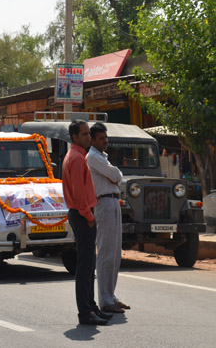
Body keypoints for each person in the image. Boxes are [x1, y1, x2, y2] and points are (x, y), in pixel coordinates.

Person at [62, 120, 113, 326]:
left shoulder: (78, 155)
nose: (88, 138)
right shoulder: (75, 158)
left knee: (88, 265)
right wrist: (89, 217)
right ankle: (85, 313)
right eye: (84, 135)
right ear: (75, 137)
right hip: (82, 215)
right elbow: (79, 193)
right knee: (84, 268)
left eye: (88, 134)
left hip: (82, 214)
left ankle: (91, 307)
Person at [87, 122, 130, 314]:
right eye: (102, 138)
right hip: (103, 203)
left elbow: (117, 176)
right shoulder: (93, 158)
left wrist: (115, 175)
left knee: (115, 253)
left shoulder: (102, 157)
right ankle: (104, 299)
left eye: (106, 137)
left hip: (113, 202)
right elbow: (115, 174)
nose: (106, 141)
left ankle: (111, 295)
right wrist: (115, 174)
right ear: (92, 139)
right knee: (105, 253)